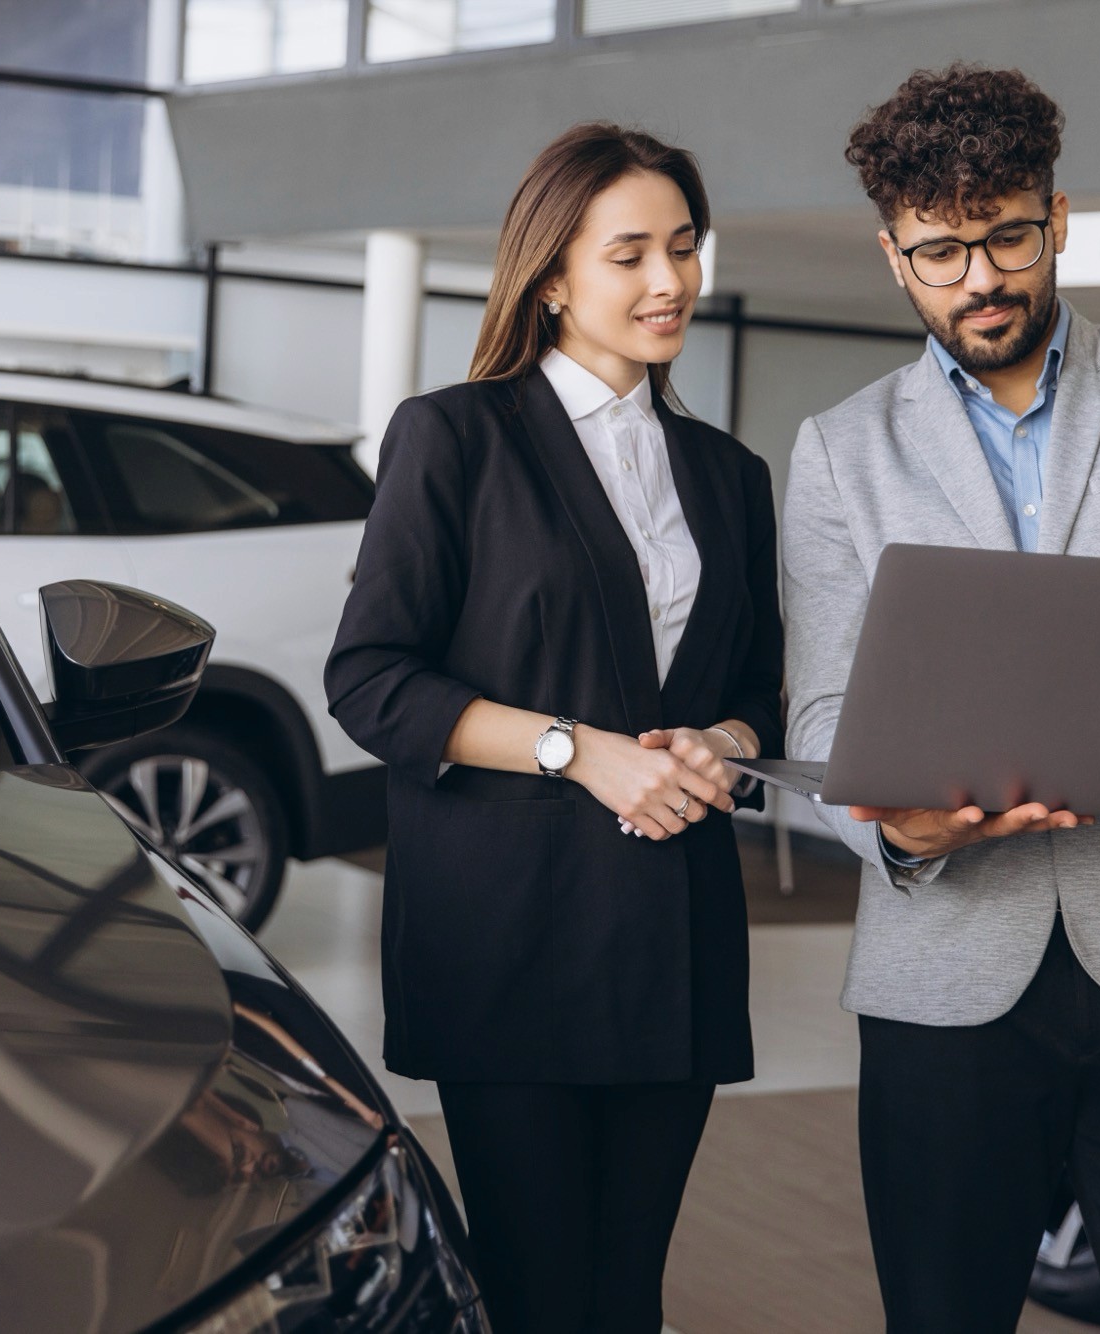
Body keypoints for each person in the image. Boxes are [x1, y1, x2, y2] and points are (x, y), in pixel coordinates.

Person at [782, 64, 1100, 1333]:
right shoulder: (838, 449)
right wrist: (895, 827)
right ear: (890, 253)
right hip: (946, 973)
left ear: (1057, 216)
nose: (980, 276)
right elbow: (818, 722)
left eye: (1007, 234)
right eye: (940, 250)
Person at [324, 123, 783, 1334]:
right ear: (549, 276)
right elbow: (370, 677)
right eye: (628, 252)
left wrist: (720, 744)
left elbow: (763, 689)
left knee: (628, 1291)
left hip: (669, 941)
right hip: (508, 934)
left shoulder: (728, 475)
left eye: (682, 247)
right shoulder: (454, 435)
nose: (668, 280)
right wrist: (579, 750)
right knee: (535, 1290)